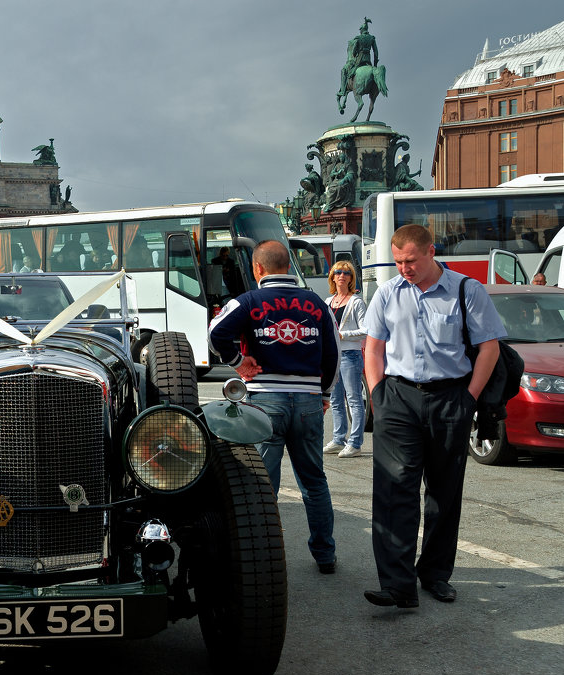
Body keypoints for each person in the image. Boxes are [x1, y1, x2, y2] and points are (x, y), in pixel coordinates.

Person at [363, 224, 506, 608]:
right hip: (398, 398)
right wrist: (378, 395)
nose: (403, 268)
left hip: (450, 398)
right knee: (395, 490)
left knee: (444, 492)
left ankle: (435, 574)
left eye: (410, 260)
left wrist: (469, 398)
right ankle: (397, 584)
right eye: (397, 262)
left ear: (431, 252)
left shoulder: (466, 290)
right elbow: (373, 348)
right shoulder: (387, 294)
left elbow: (489, 348)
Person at [209, 240, 341, 574]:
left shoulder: (249, 301)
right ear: (289, 265)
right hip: (309, 401)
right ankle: (325, 555)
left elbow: (215, 333)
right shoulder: (316, 303)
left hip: (265, 400)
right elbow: (334, 353)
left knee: (264, 484)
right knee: (314, 481)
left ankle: (262, 557)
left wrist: (239, 362)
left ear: (258, 268)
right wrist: (323, 393)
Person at [323, 261, 368, 457]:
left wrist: (343, 335)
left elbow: (366, 330)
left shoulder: (356, 301)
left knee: (354, 400)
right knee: (335, 399)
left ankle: (355, 443)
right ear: (332, 277)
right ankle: (338, 438)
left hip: (350, 355)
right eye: (338, 272)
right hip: (333, 356)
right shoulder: (327, 301)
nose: (342, 275)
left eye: (346, 273)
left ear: (351, 278)